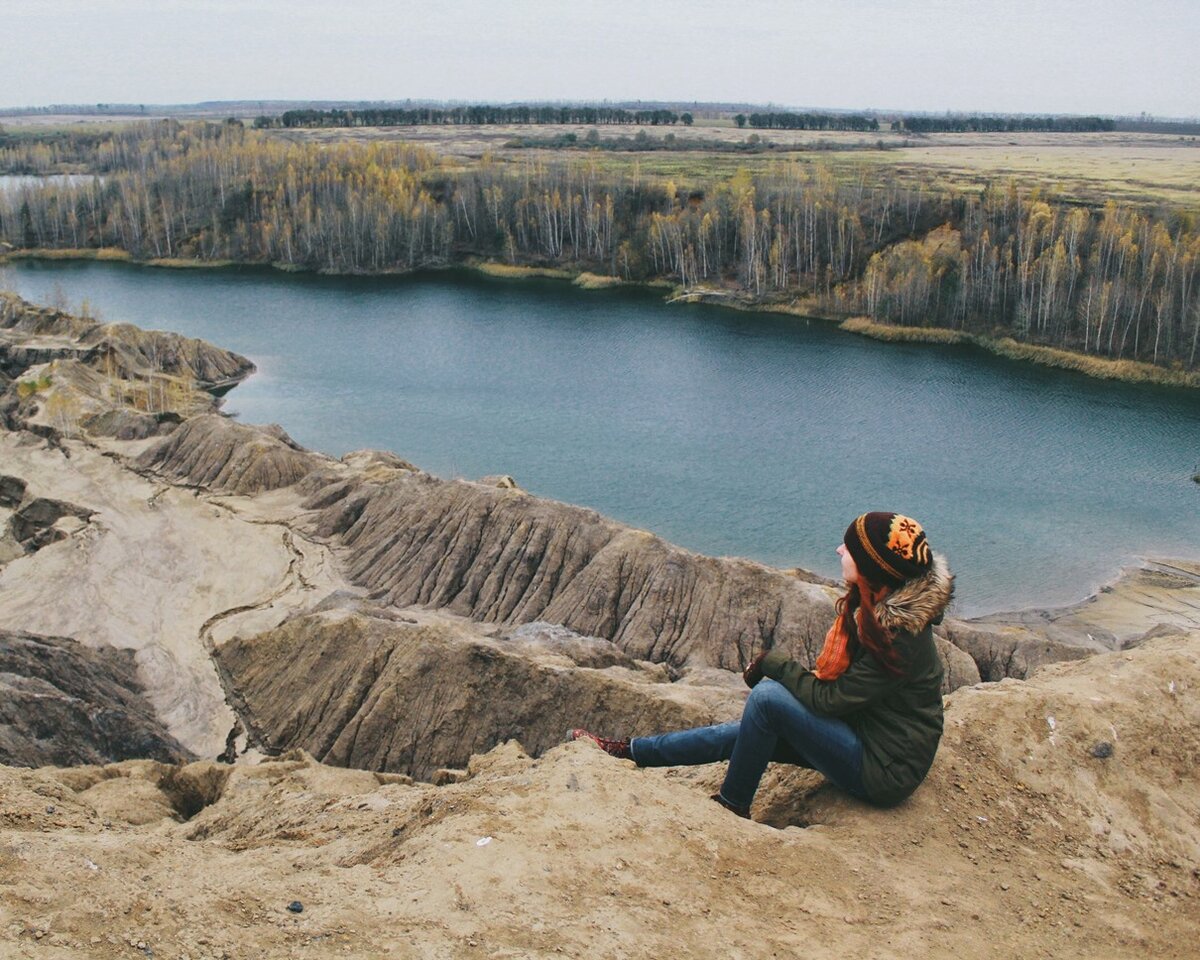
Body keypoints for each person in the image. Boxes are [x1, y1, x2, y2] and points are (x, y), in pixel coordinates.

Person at [569, 512, 953, 819]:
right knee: (747, 730)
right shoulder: (881, 613)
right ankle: (632, 751)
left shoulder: (898, 638)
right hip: (868, 738)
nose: (839, 550)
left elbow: (830, 701)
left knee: (768, 698)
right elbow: (842, 696)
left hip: (883, 770)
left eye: (849, 548)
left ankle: (733, 803)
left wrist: (775, 664)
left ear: (873, 568)